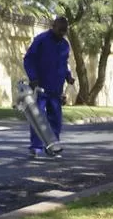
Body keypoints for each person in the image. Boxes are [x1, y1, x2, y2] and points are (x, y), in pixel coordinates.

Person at [23, 16, 75, 158]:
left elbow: (63, 64)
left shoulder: (65, 45)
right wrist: (33, 78)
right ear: (53, 26)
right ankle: (36, 147)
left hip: (56, 89)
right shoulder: (41, 40)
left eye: (64, 31)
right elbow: (28, 59)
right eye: (60, 30)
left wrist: (68, 76)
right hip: (40, 87)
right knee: (39, 118)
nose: (62, 33)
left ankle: (53, 146)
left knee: (56, 120)